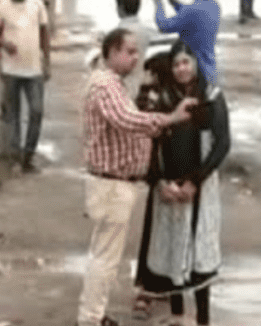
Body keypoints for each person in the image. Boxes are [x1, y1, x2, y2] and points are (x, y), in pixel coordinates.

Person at [77, 28, 198, 326]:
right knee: (105, 257)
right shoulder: (105, 85)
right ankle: (90, 318)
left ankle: (93, 313)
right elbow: (125, 119)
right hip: (111, 183)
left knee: (104, 255)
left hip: (115, 182)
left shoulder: (112, 84)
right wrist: (169, 119)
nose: (135, 58)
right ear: (113, 52)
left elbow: (126, 121)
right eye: (130, 52)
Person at [132, 41, 230, 326]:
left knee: (199, 254)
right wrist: (158, 182)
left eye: (187, 62)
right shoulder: (161, 99)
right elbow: (149, 145)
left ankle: (203, 320)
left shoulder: (212, 97)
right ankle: (176, 316)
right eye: (176, 64)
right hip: (168, 189)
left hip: (200, 187)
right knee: (173, 251)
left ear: (196, 64)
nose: (182, 68)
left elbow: (222, 144)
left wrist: (195, 182)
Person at [0, 0, 50, 173]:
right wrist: (3, 43)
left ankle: (28, 155)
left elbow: (44, 33)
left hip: (34, 69)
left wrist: (47, 62)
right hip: (11, 70)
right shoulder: (2, 6)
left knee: (37, 111)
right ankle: (16, 156)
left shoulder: (37, 5)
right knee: (13, 115)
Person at [152, 0, 221, 87]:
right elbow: (188, 14)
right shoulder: (213, 5)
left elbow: (163, 25)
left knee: (153, 65)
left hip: (196, 72)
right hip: (210, 69)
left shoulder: (193, 10)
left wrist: (158, 1)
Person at [115, 0, 159, 96]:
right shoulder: (146, 31)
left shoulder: (117, 34)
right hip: (139, 81)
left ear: (120, 7)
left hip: (122, 87)